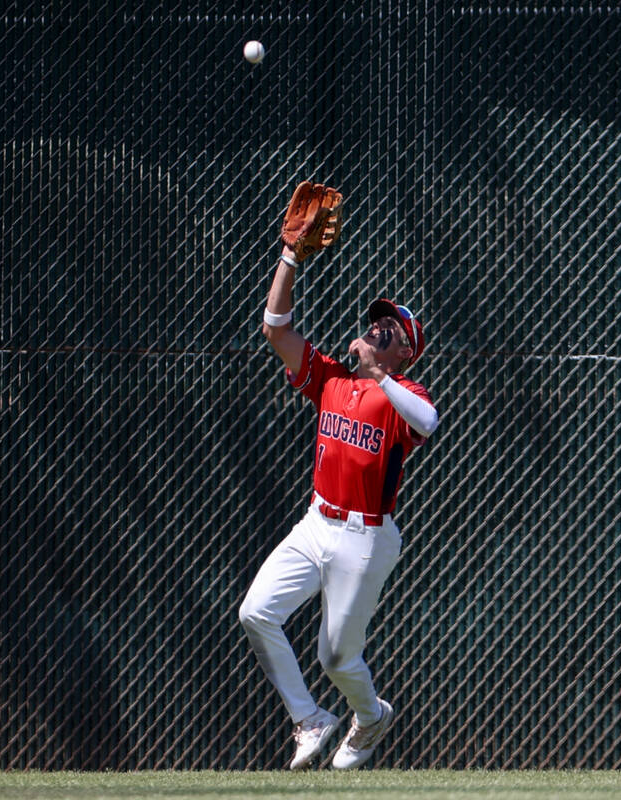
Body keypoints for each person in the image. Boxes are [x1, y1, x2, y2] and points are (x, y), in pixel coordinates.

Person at [238, 240, 439, 770]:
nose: (378, 326)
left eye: (391, 328)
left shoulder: (400, 391)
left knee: (334, 657)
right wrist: (286, 257)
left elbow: (428, 422)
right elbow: (276, 329)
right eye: (377, 321)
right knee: (256, 612)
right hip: (316, 522)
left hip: (365, 539)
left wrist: (382, 376)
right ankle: (310, 720)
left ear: (404, 352)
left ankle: (370, 715)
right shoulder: (331, 378)